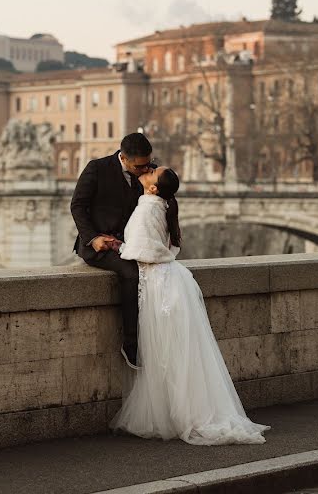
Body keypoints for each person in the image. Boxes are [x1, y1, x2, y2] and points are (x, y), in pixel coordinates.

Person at [112, 166, 270, 445]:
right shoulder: (160, 205)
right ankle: (187, 412)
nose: (148, 171)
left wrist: (117, 247)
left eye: (152, 173)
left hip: (158, 285)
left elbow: (141, 251)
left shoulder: (148, 209)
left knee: (166, 355)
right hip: (172, 282)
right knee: (182, 355)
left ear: (152, 188)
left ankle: (180, 416)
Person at [70, 133, 156, 369]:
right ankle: (131, 344)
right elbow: (77, 206)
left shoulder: (150, 172)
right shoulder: (97, 168)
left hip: (134, 242)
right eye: (140, 166)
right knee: (130, 273)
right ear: (124, 159)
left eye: (148, 163)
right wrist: (93, 238)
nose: (146, 169)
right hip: (100, 245)